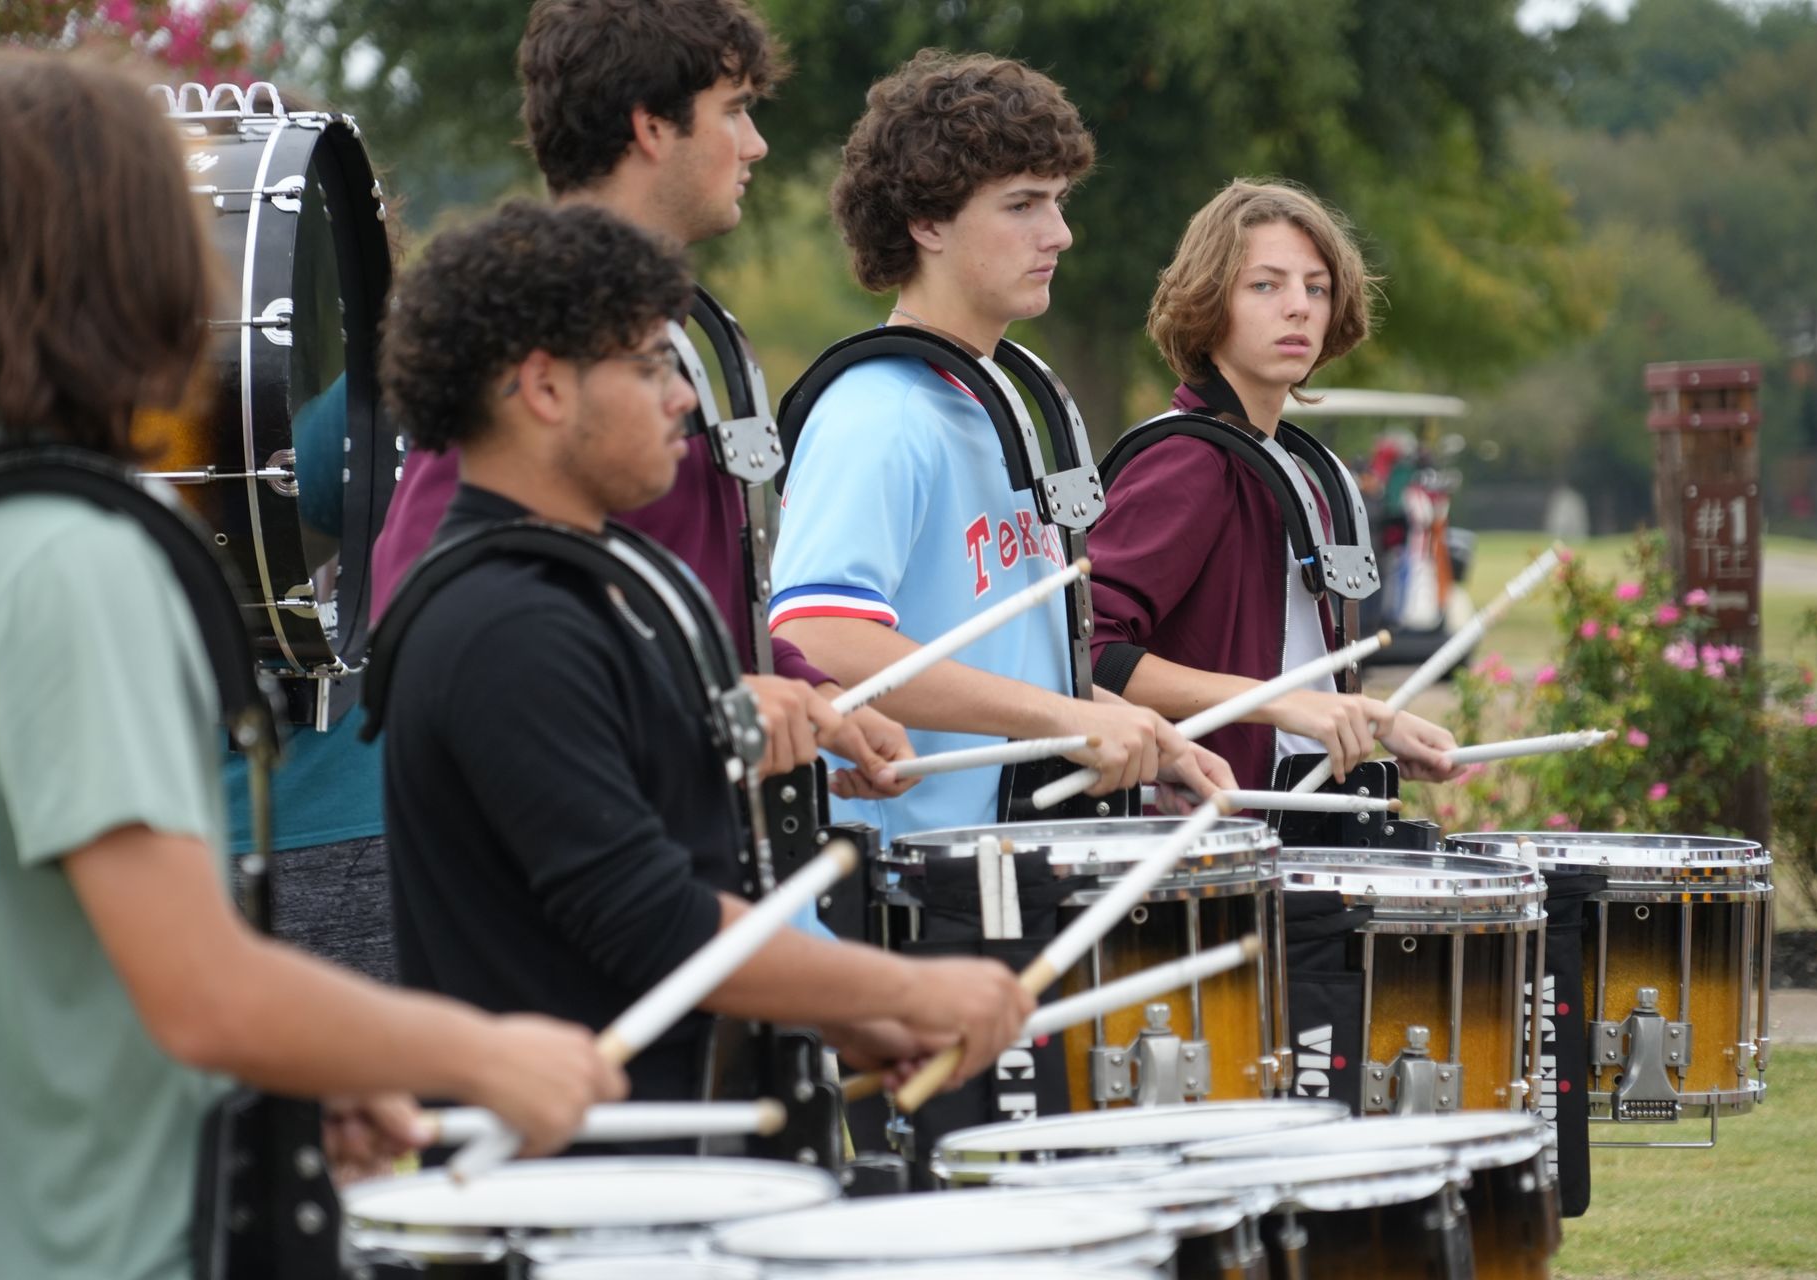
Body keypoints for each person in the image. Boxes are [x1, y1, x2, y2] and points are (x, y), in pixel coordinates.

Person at [0, 50, 620, 1280]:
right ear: (133, 266)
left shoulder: (5, 531)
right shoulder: (76, 565)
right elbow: (200, 989)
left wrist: (291, 1077)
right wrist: (481, 1053)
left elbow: (70, 958)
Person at [375, 199, 1032, 1107]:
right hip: (574, 1193)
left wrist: (851, 1017)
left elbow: (685, 857)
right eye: (651, 366)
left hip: (683, 1144)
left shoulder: (615, 589)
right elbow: (647, 915)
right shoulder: (501, 622)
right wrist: (906, 986)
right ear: (546, 388)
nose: (683, 397)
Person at [368, 0, 909, 801]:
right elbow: (421, 626)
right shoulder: (533, 332)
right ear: (652, 125)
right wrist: (712, 705)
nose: (755, 144)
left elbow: (686, 604)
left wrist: (807, 692)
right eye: (734, 111)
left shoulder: (673, 328)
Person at [770, 50, 1235, 846]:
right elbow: (817, 637)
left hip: (1011, 866)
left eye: (1057, 201)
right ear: (928, 222)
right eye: (1022, 204)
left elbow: (1019, 658)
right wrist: (1060, 716)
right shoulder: (878, 413)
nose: (1059, 232)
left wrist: (1134, 728)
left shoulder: (1009, 401)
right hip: (906, 890)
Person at [1086, 178, 1462, 791]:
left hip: (1285, 828)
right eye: (1266, 285)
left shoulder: (1299, 468)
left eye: (1316, 288)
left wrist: (1373, 722)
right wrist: (1277, 701)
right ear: (1209, 303)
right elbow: (1089, 655)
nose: (1300, 307)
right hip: (1201, 840)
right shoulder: (1186, 460)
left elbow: (1299, 679)